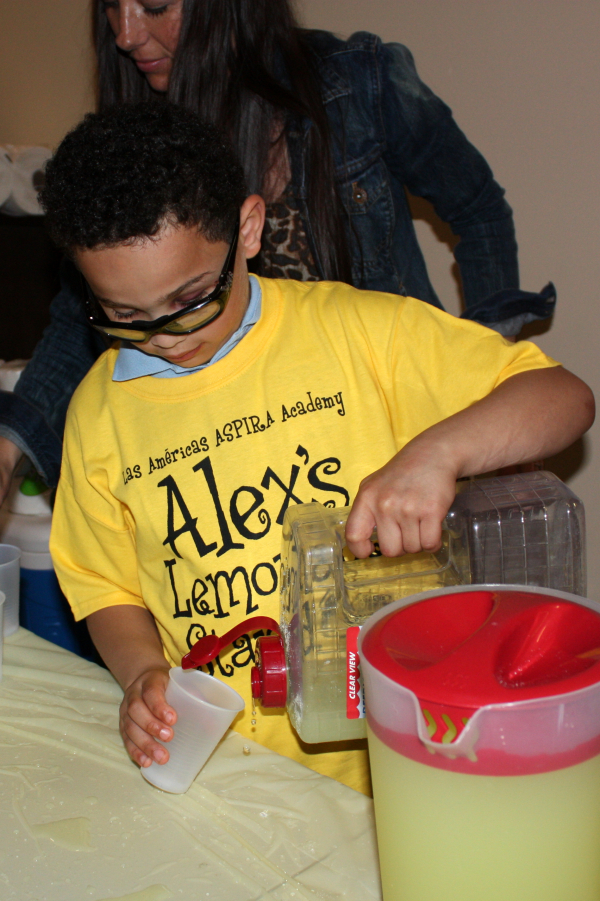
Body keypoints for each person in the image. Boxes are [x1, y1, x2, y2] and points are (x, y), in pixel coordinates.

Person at [42, 103, 593, 795]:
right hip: (228, 777)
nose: (165, 335)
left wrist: (437, 453)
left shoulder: (359, 333)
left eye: (192, 297)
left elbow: (564, 398)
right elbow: (104, 585)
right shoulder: (100, 413)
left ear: (248, 229)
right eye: (125, 316)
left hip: (392, 762)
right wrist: (142, 672)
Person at [0, 0, 556, 504]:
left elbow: (479, 210)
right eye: (110, 7)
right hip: (238, 478)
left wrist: (483, 395)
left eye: (155, 5)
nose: (124, 34)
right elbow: (81, 314)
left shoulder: (357, 84)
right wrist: (8, 446)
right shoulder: (137, 135)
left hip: (384, 448)